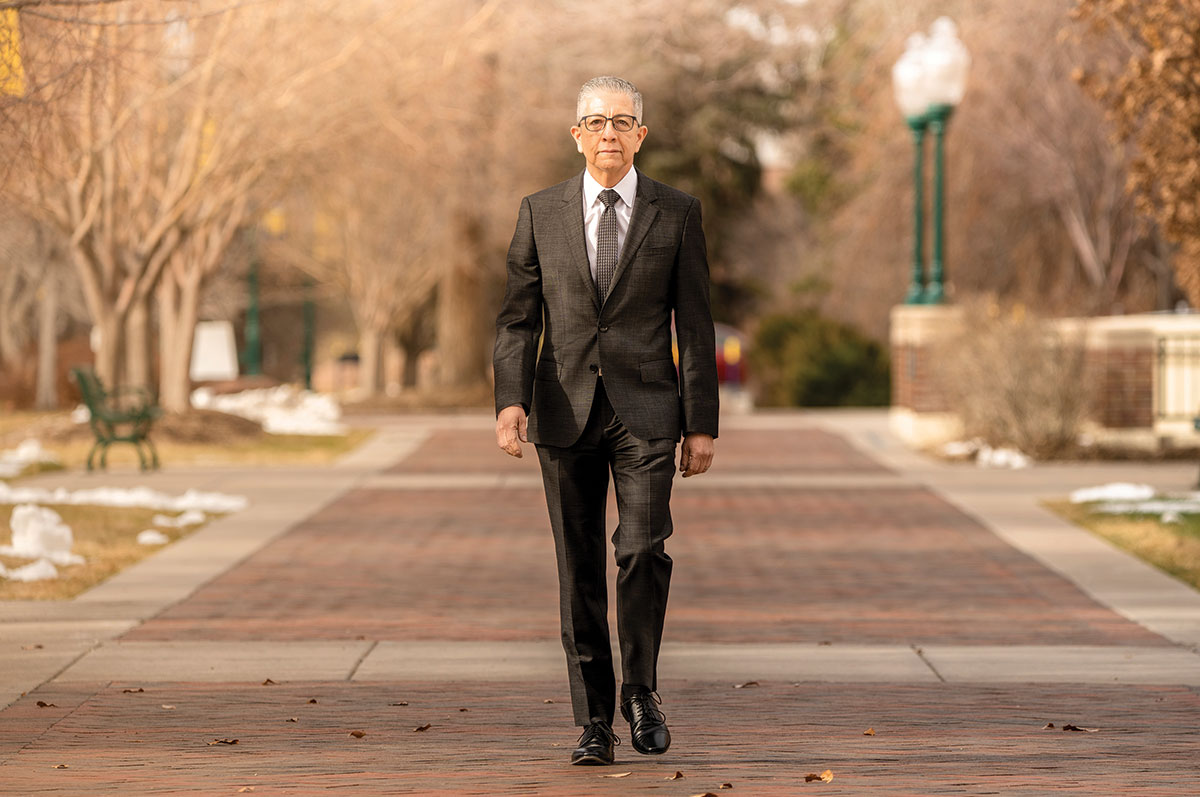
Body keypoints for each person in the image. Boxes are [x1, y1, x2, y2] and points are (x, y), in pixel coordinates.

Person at [493, 75, 718, 766]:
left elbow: (697, 322)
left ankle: (641, 690)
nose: (610, 134)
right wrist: (510, 399)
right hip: (563, 412)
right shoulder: (540, 211)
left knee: (642, 547)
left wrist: (700, 420)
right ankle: (594, 719)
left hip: (648, 410)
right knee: (580, 566)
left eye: (623, 122)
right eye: (597, 122)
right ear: (577, 134)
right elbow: (517, 318)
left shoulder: (676, 212)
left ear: (641, 135)